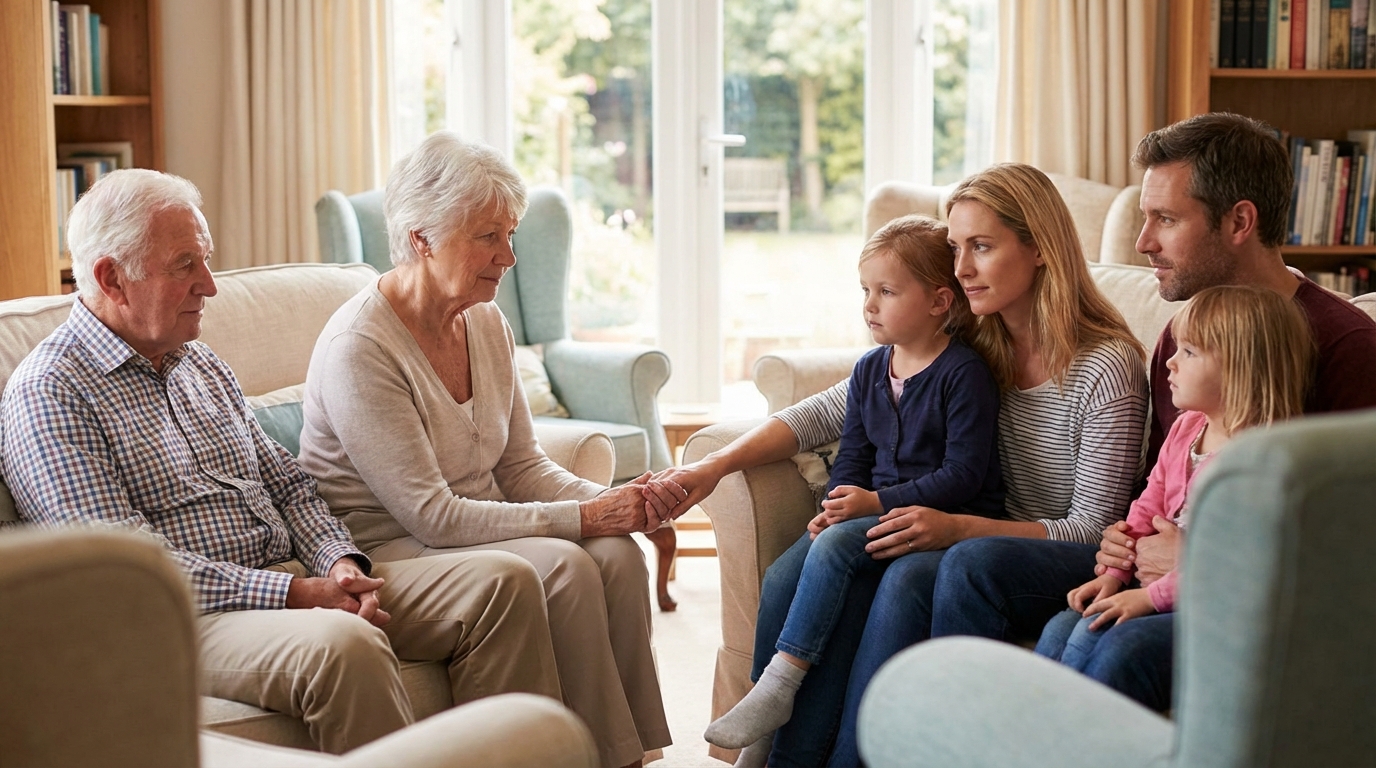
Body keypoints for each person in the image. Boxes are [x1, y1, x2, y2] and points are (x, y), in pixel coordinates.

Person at [0, 169, 564, 754]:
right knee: (345, 646)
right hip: (181, 620)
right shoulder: (51, 392)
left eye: (207, 260)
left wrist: (339, 561)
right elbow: (124, 575)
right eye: (185, 266)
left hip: (298, 577)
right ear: (111, 278)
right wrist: (296, 596)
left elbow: (290, 485)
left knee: (503, 582)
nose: (210, 286)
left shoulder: (198, 363)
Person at [665, 163, 1149, 767]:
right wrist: (714, 465)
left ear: (1040, 249)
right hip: (958, 526)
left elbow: (1090, 529)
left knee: (907, 577)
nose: (961, 268)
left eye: (982, 247)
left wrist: (959, 528)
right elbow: (835, 411)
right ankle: (777, 752)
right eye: (954, 248)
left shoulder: (1106, 368)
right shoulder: (980, 337)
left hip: (1041, 546)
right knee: (798, 572)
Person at [932, 113, 1376, 711]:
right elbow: (1167, 485)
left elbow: (1352, 551)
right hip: (1155, 569)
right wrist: (1124, 539)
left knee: (1116, 647)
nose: (1143, 242)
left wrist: (1201, 560)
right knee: (974, 573)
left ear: (1239, 221)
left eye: (1165, 219)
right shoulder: (1177, 339)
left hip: (1253, 597)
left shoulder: (1348, 348)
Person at [296, 131, 676, 768]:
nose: (510, 257)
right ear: (421, 238)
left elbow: (521, 465)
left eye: (511, 235)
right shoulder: (360, 348)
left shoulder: (484, 319)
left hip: (475, 529)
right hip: (392, 549)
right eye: (489, 237)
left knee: (616, 553)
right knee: (568, 563)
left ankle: (628, 755)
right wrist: (585, 516)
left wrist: (619, 502)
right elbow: (432, 517)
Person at [702, 215, 1005, 762]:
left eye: (887, 292)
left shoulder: (964, 374)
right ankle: (763, 707)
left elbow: (964, 474)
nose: (870, 305)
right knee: (783, 574)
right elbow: (855, 457)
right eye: (866, 290)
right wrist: (838, 503)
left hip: (936, 517)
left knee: (839, 548)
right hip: (870, 515)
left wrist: (872, 504)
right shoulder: (869, 370)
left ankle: (783, 683)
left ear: (940, 302)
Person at [1035, 285, 1313, 709]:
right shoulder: (1187, 429)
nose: (1169, 361)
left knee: (1108, 638)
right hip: (1154, 585)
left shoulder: (1264, 460)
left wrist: (1149, 597)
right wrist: (1112, 574)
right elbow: (1147, 507)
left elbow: (1238, 565)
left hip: (1212, 605)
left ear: (1240, 367)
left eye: (1189, 352)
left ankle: (1066, 735)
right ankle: (1036, 729)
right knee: (1062, 628)